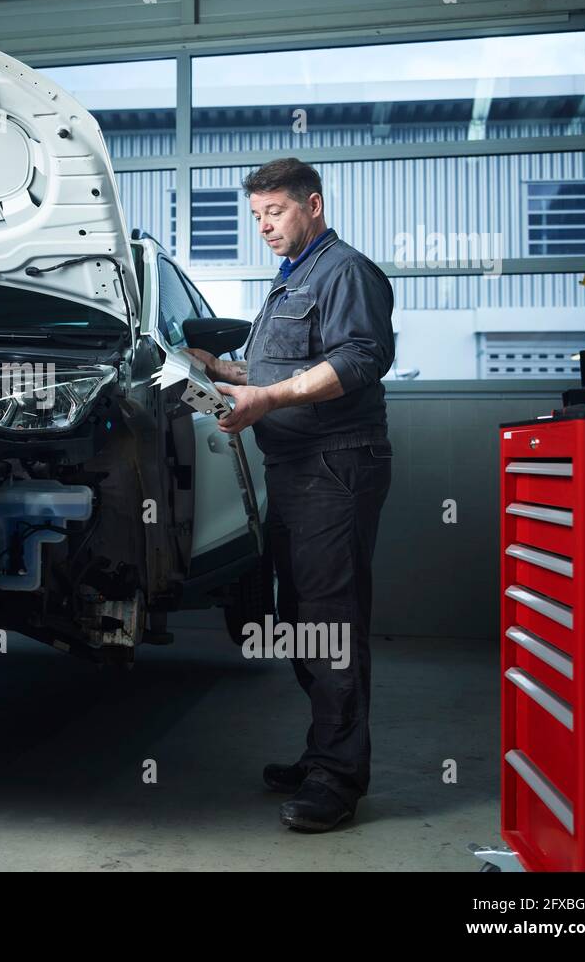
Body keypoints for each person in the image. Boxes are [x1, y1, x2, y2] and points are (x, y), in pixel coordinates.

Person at [184, 157, 394, 833]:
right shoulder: (291, 280)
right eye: (256, 217)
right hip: (297, 469)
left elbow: (359, 359)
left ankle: (338, 778)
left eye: (274, 212)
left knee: (332, 617)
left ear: (314, 203)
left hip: (336, 465)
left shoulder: (345, 271)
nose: (264, 226)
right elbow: (284, 367)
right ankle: (322, 752)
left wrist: (267, 395)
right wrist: (223, 370)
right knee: (301, 614)